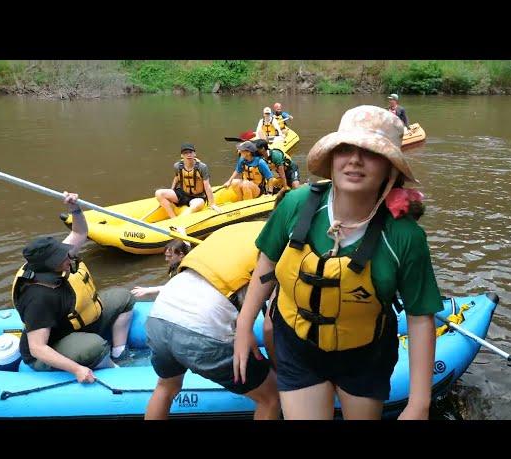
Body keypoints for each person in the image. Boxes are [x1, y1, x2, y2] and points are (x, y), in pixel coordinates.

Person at [233, 105, 442, 420]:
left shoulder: (404, 237)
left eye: (370, 153)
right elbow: (266, 264)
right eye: (346, 149)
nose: (355, 160)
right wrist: (243, 325)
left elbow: (419, 316)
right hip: (298, 346)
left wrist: (419, 404)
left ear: (390, 168)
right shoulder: (296, 204)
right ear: (332, 157)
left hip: (365, 356)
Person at [144, 221, 280, 420]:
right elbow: (270, 326)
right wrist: (279, 370)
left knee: (166, 386)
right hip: (202, 328)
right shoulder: (279, 245)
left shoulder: (233, 229)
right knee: (272, 397)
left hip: (159, 314)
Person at [12, 192, 136, 383]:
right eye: (61, 258)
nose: (69, 257)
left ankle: (119, 352)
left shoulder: (55, 262)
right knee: (95, 346)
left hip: (74, 324)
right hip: (52, 346)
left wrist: (74, 208)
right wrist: (77, 369)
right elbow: (37, 348)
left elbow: (79, 233)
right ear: (48, 266)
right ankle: (115, 372)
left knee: (124, 297)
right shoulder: (38, 297)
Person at [155, 143, 221, 219]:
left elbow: (207, 185)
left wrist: (212, 204)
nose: (188, 155)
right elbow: (177, 178)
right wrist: (172, 190)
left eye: (190, 152)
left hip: (197, 197)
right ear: (182, 156)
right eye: (185, 153)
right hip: (183, 194)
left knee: (196, 205)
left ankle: (180, 221)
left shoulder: (202, 167)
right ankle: (173, 218)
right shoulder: (177, 166)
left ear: (194, 154)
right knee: (159, 193)